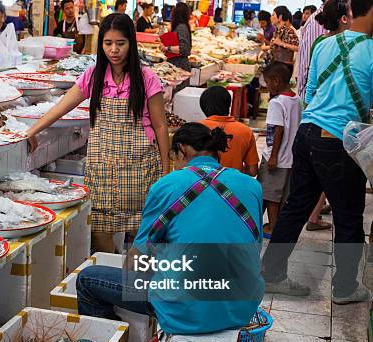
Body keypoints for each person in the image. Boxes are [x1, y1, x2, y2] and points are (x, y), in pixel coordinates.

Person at [76, 123, 264, 342]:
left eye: (173, 157)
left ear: (182, 150)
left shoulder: (167, 186)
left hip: (186, 307)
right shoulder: (251, 187)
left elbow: (136, 265)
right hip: (242, 304)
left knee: (88, 280)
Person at [26, 13, 170, 253]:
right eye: (108, 43)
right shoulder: (94, 75)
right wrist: (33, 130)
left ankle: (136, 283)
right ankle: (111, 276)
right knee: (101, 230)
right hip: (103, 167)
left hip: (140, 167)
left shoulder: (147, 78)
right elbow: (62, 106)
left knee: (141, 233)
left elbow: (161, 126)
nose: (114, 50)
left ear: (131, 44)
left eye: (120, 43)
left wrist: (166, 171)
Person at [262, 0, 372, 303]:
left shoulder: (324, 44)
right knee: (349, 215)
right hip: (338, 141)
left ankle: (271, 274)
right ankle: (346, 287)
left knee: (296, 206)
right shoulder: (372, 51)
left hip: (307, 133)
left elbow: (308, 94)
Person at [303, 0, 350, 233]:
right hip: (331, 124)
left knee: (300, 196)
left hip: (313, 120)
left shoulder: (320, 43)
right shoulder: (350, 45)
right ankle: (314, 214)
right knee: (345, 204)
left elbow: (311, 87)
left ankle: (273, 264)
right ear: (343, 18)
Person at [258, 62, 301, 239]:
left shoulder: (277, 102)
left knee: (270, 196)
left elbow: (279, 129)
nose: (266, 86)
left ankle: (274, 228)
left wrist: (273, 156)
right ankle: (275, 226)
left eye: (267, 82)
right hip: (290, 157)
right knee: (281, 196)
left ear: (276, 81)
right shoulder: (296, 99)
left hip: (277, 158)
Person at [199, 87, 258, 176]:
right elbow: (252, 170)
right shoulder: (246, 131)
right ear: (228, 105)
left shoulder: (197, 129)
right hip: (233, 186)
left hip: (200, 186)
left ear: (203, 106)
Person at [160, 1, 191, 91]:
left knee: (178, 96)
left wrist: (167, 48)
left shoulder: (181, 27)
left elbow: (184, 49)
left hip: (180, 65)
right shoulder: (181, 26)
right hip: (177, 64)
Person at [267, 6, 299, 73]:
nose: (271, 17)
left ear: (280, 17)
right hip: (276, 66)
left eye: (273, 15)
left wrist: (281, 43)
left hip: (284, 69)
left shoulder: (288, 30)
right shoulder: (277, 31)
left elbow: (298, 48)